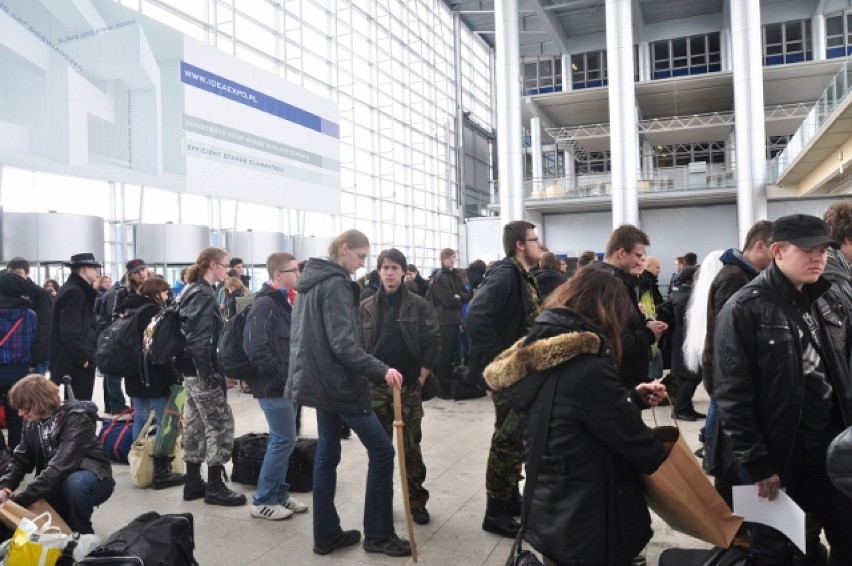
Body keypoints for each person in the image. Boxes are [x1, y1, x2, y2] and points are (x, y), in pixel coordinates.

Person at [483, 265, 668, 566]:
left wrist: (631, 398)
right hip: (590, 519)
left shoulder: (541, 355)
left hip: (549, 506)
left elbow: (572, 417)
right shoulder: (588, 368)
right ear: (605, 311)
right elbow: (638, 445)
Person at [713, 214, 852, 565]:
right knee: (772, 549)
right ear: (777, 251)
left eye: (823, 250)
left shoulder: (828, 298)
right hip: (774, 457)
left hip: (829, 448)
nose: (818, 258)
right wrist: (756, 464)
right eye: (807, 251)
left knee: (845, 535)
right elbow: (732, 395)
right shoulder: (744, 307)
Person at [287, 229, 411, 557]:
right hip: (338, 384)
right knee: (382, 453)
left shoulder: (309, 282)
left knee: (328, 454)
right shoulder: (337, 284)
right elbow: (343, 343)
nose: (362, 264)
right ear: (344, 249)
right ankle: (379, 534)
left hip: (316, 382)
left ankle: (326, 535)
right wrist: (381, 369)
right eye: (360, 256)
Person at [466, 220, 543, 538]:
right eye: (535, 240)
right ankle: (495, 512)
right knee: (508, 441)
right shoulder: (505, 274)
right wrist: (502, 358)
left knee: (515, 438)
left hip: (522, 373)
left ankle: (510, 499)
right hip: (510, 373)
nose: (540, 244)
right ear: (520, 245)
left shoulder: (523, 275)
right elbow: (476, 315)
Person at [359, 248, 440, 526]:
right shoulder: (367, 305)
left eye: (395, 268)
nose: (390, 273)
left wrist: (420, 378)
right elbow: (359, 346)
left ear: (404, 272)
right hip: (376, 386)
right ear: (378, 272)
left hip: (407, 387)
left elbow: (432, 342)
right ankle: (381, 502)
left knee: (410, 448)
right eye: (385, 268)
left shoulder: (419, 305)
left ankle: (416, 501)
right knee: (380, 450)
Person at [175, 247, 246, 506]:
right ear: (213, 265)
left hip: (188, 369)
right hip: (200, 370)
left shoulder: (189, 289)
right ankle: (215, 486)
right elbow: (199, 339)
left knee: (195, 423)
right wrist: (210, 373)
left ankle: (193, 481)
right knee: (219, 423)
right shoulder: (203, 294)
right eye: (225, 265)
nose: (227, 270)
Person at [0, 374, 114, 534]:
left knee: (76, 484)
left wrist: (21, 499)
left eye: (24, 407)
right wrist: (5, 488)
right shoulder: (31, 422)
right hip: (55, 481)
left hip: (92, 477)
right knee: (49, 528)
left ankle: (83, 533)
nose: (19, 413)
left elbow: (61, 465)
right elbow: (21, 459)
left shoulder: (77, 419)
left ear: (40, 401)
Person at [244, 252, 308, 521]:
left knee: (287, 439)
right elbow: (254, 346)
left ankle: (280, 493)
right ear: (278, 275)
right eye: (294, 270)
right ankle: (263, 500)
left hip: (287, 383)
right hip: (274, 385)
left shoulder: (286, 301)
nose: (299, 274)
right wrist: (281, 373)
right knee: (283, 439)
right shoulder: (265, 304)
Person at [121, 278, 184, 488]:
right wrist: (173, 376)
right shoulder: (154, 314)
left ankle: (137, 460)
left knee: (140, 417)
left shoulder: (130, 310)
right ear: (157, 293)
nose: (168, 297)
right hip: (153, 375)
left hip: (134, 373)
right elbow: (158, 349)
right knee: (167, 420)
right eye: (165, 293)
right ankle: (161, 470)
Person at [599, 226, 667, 390]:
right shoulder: (609, 285)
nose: (640, 262)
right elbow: (619, 342)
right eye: (638, 256)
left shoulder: (616, 281)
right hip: (618, 380)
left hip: (620, 377)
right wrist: (649, 334)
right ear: (621, 252)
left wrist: (645, 325)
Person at [49, 253, 101, 401]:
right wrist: (83, 358)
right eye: (94, 268)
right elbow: (70, 331)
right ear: (84, 269)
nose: (97, 272)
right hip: (75, 361)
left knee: (75, 406)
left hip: (74, 359)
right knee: (79, 408)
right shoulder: (74, 292)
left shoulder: (74, 289)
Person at [664, 266, 703, 421]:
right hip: (687, 339)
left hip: (680, 338)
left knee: (686, 376)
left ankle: (686, 407)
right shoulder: (689, 297)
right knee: (692, 376)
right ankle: (680, 409)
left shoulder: (678, 293)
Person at [431, 248, 471, 394]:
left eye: (453, 256)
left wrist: (458, 296)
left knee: (455, 353)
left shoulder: (456, 275)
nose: (452, 259)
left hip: (455, 319)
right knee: (444, 354)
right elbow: (447, 300)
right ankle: (441, 385)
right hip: (444, 321)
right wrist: (459, 297)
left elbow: (468, 294)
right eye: (448, 257)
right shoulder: (440, 277)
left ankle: (449, 381)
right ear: (442, 260)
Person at [4, 257, 50, 374]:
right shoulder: (4, 290)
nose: (14, 276)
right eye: (11, 273)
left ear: (27, 274)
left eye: (19, 273)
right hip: (7, 355)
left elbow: (43, 327)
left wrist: (35, 358)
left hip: (29, 357)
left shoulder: (38, 293)